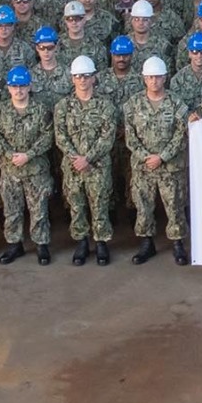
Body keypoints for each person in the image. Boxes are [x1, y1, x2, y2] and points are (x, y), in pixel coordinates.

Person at [53, 56, 120, 264]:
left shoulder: (105, 106)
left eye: (86, 76)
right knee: (76, 205)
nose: (82, 80)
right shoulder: (63, 106)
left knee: (100, 204)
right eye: (78, 76)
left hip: (97, 166)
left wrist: (88, 158)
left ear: (93, 78)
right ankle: (81, 242)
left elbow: (108, 137)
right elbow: (60, 136)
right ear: (72, 78)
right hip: (73, 166)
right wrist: (76, 158)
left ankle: (101, 242)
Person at [126, 56, 192, 264]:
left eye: (158, 77)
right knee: (143, 206)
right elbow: (130, 136)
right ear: (144, 78)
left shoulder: (176, 103)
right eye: (150, 77)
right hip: (143, 166)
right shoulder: (133, 104)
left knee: (175, 205)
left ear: (165, 77)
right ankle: (147, 243)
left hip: (171, 166)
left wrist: (162, 157)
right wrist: (147, 157)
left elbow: (182, 134)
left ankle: (178, 244)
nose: (154, 81)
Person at [0, 66, 56, 263]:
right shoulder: (0, 111)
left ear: (29, 87)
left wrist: (29, 154)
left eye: (22, 86)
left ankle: (41, 244)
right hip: (10, 170)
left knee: (39, 209)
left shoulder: (41, 110)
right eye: (14, 86)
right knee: (11, 210)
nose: (18, 90)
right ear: (9, 88)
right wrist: (10, 154)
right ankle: (14, 244)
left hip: (36, 169)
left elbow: (48, 135)